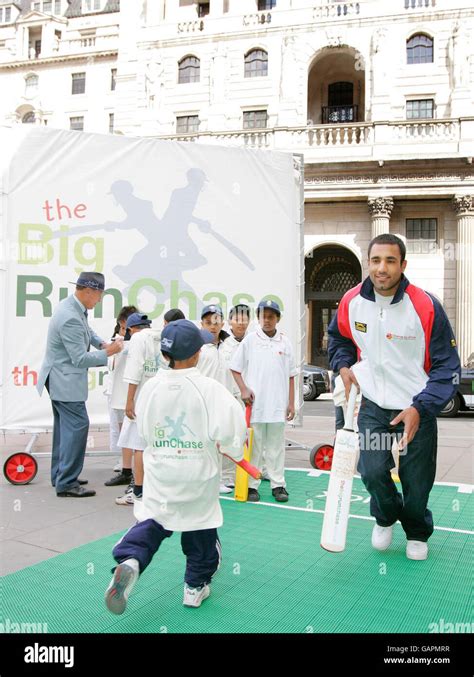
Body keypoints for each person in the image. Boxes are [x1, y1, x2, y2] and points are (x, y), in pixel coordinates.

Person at [328, 233, 461, 561]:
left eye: (390, 260)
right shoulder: (351, 301)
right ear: (368, 264)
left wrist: (422, 406)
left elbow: (447, 366)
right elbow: (339, 338)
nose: (382, 268)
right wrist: (343, 366)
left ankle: (416, 530)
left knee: (417, 481)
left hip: (416, 406)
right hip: (373, 403)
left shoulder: (425, 305)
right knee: (372, 471)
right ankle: (385, 517)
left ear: (403, 265)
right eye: (375, 260)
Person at [104, 319, 247, 614]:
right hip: (198, 479)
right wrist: (228, 447)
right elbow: (233, 436)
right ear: (197, 354)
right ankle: (194, 588)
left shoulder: (151, 388)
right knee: (201, 530)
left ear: (165, 355)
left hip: (161, 477)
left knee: (153, 523)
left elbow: (144, 432)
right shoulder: (211, 389)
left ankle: (130, 560)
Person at [37, 272, 123, 498]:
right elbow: (80, 359)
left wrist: (101, 343)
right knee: (77, 426)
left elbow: (86, 331)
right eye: (99, 295)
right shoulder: (70, 316)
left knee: (65, 429)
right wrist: (108, 352)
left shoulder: (73, 307)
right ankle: (67, 482)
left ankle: (60, 474)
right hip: (64, 379)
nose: (100, 299)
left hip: (59, 376)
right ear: (88, 291)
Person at [230, 299, 297, 503]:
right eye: (263, 316)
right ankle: (252, 485)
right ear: (258, 318)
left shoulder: (285, 342)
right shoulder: (250, 340)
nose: (266, 320)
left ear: (278, 318)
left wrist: (291, 403)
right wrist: (243, 389)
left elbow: (291, 375)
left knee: (276, 447)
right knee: (255, 447)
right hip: (256, 406)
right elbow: (235, 367)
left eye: (271, 316)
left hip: (277, 406)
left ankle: (278, 485)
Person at [114, 312, 165, 506]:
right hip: (159, 400)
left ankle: (138, 491)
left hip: (142, 400)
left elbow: (134, 370)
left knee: (139, 447)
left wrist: (129, 401)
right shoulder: (159, 337)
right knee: (155, 446)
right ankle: (154, 489)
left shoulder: (137, 339)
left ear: (131, 329)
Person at [103, 306, 138, 489]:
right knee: (121, 429)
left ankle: (135, 473)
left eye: (127, 328)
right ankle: (124, 466)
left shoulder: (140, 341)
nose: (125, 331)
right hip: (117, 393)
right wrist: (115, 348)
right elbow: (110, 364)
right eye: (122, 327)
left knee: (134, 431)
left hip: (132, 393)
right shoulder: (115, 341)